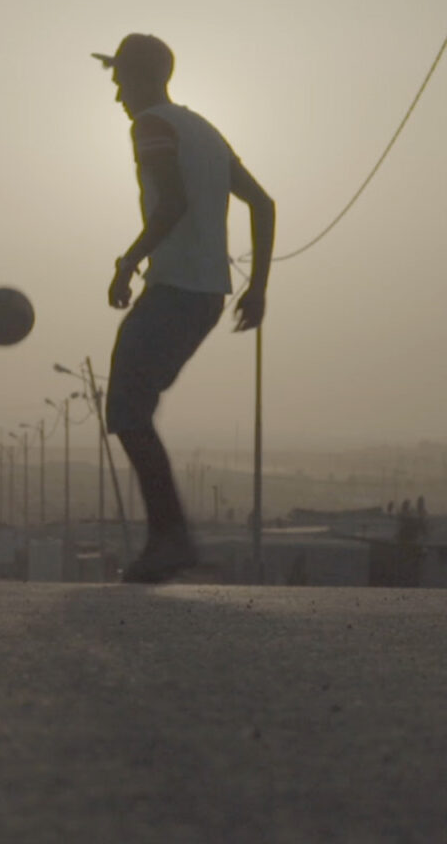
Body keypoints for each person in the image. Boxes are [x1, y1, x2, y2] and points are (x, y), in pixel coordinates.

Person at [95, 34, 274, 584]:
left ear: (145, 78)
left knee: (126, 409)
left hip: (176, 292)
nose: (118, 96)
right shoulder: (204, 129)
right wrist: (257, 287)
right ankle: (169, 539)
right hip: (204, 296)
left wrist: (127, 263)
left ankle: (171, 541)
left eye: (121, 81)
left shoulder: (150, 125)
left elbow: (171, 204)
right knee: (131, 408)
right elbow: (262, 204)